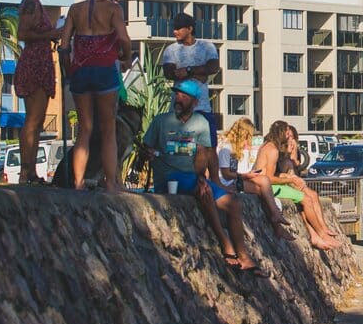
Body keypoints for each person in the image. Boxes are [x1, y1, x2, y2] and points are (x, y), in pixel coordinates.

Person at [142, 80, 267, 277]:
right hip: (168, 176)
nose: (178, 98)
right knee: (204, 191)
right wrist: (149, 152)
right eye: (177, 94)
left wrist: (211, 177)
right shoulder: (160, 121)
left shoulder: (201, 123)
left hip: (193, 175)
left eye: (184, 96)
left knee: (233, 204)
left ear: (194, 101)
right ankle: (225, 243)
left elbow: (208, 154)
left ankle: (243, 254)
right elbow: (145, 146)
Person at [59, 0, 132, 192]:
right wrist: (126, 58)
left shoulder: (75, 9)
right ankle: (111, 183)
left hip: (80, 70)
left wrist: (67, 69)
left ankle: (79, 182)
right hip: (104, 70)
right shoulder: (113, 9)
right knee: (108, 128)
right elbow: (123, 38)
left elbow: (63, 46)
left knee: (84, 129)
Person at [253, 122, 338, 250]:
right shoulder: (273, 150)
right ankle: (321, 234)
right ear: (281, 133)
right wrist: (290, 181)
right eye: (287, 134)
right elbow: (269, 178)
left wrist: (288, 177)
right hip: (265, 186)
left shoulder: (268, 146)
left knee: (308, 197)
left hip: (262, 183)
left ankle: (319, 233)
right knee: (306, 200)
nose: (289, 137)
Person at [13, 0, 59, 184]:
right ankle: (25, 170)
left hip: (40, 62)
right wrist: (51, 35)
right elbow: (23, 33)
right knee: (32, 120)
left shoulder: (34, 3)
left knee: (37, 120)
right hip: (34, 63)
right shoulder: (30, 4)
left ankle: (30, 170)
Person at [216, 117, 295, 241]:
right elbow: (226, 174)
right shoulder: (226, 148)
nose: (248, 141)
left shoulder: (234, 148)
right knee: (263, 185)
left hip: (235, 180)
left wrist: (248, 174)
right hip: (227, 183)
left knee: (263, 182)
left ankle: (275, 219)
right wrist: (245, 175)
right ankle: (275, 216)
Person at [161, 12, 220, 142]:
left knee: (208, 147)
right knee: (179, 147)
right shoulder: (170, 50)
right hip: (179, 109)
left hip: (202, 107)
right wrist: (200, 74)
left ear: (190, 29)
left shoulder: (207, 46)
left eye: (178, 28)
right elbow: (169, 73)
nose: (175, 31)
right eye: (174, 28)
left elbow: (213, 67)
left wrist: (187, 71)